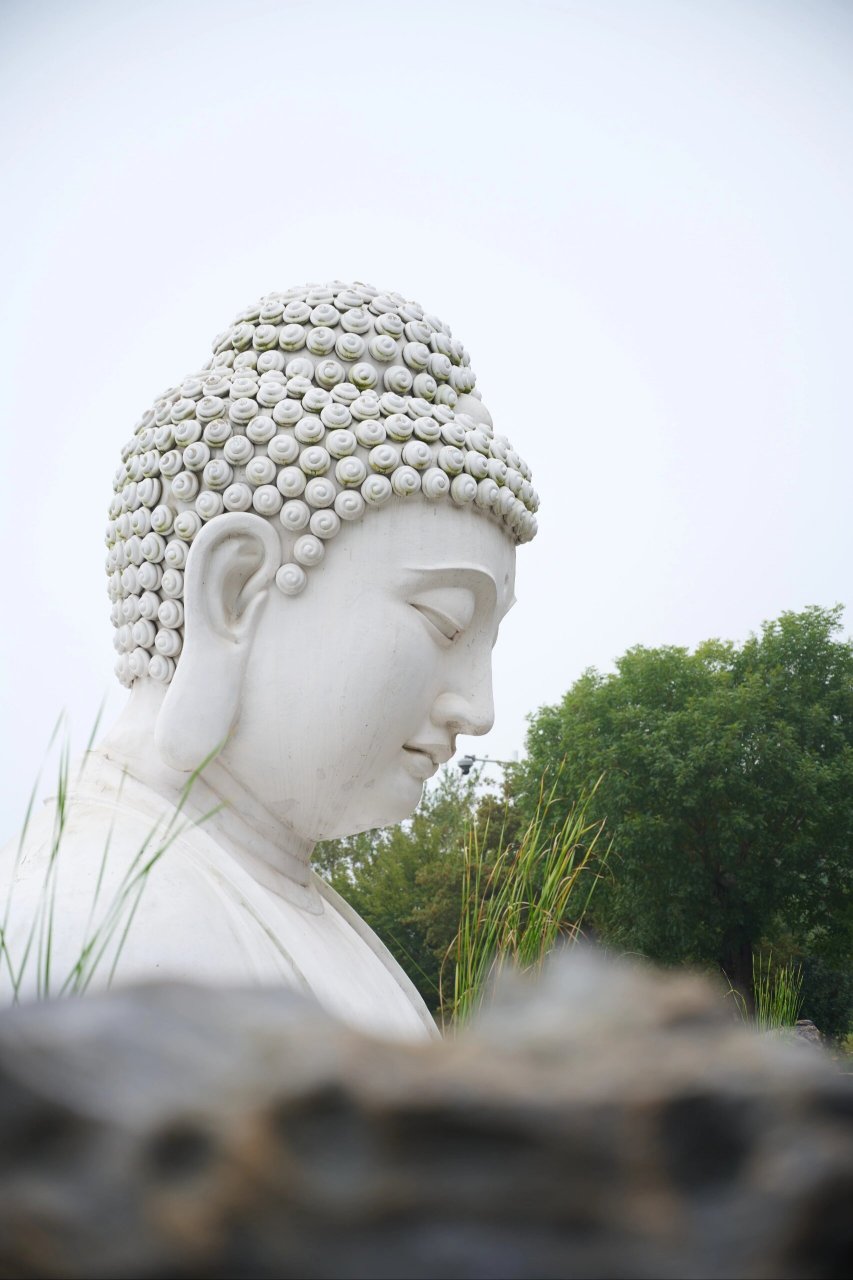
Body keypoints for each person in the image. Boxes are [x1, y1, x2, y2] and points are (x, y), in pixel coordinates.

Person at [0, 281, 538, 1040]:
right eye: (445, 623)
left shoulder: (298, 907)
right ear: (234, 592)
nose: (477, 709)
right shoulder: (109, 918)